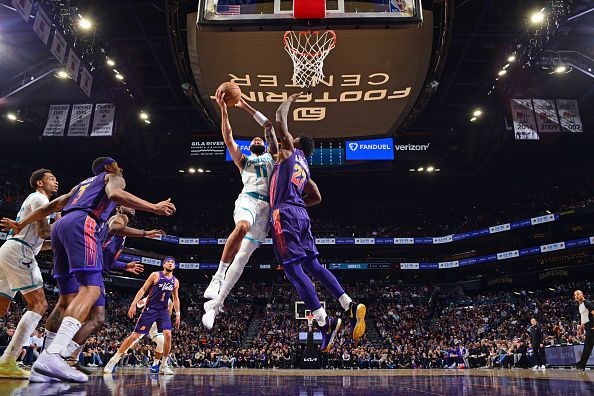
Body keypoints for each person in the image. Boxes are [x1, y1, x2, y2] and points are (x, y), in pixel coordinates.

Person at [1, 157, 176, 383]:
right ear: (108, 167)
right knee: (91, 290)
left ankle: (43, 362)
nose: (120, 168)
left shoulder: (80, 186)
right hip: (82, 223)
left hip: (60, 228)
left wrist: (22, 223)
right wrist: (154, 207)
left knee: (66, 299)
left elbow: (52, 207)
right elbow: (114, 195)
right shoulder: (113, 177)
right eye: (117, 164)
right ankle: (54, 355)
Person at [268, 92, 366, 352]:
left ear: (296, 142)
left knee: (291, 269)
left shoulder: (289, 151)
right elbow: (318, 197)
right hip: (301, 214)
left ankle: (325, 322)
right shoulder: (306, 167)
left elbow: (279, 117)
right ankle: (349, 304)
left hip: (285, 213)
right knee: (313, 264)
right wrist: (299, 203)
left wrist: (290, 98)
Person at [202, 91, 278, 329]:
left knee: (243, 259)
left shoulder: (273, 156)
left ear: (263, 145)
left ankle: (215, 306)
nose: (256, 140)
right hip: (248, 200)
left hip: (266, 210)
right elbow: (228, 137)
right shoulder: (244, 160)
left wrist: (244, 105)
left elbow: (268, 126)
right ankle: (218, 275)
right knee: (242, 226)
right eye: (253, 140)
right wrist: (224, 110)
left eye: (259, 140)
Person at [0, 169, 58, 378]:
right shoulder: (40, 198)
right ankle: (7, 361)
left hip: (10, 249)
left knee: (1, 308)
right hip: (19, 251)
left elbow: (39, 241)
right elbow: (44, 232)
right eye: (51, 179)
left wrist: (56, 241)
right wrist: (63, 224)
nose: (56, 182)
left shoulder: (35, 199)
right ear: (40, 183)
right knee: (39, 305)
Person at [104, 257, 181, 375]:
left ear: (174, 266)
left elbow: (176, 298)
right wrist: (133, 304)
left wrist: (178, 314)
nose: (170, 263)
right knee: (134, 336)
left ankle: (163, 366)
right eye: (168, 262)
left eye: (172, 262)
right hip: (150, 310)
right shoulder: (155, 275)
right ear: (163, 264)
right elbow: (143, 289)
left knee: (168, 335)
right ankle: (113, 360)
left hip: (163, 311)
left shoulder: (175, 281)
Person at [574, 290, 594, 370]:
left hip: (591, 326)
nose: (576, 296)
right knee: (588, 347)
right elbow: (583, 317)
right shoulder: (580, 306)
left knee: (587, 347)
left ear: (582, 294)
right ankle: (581, 365)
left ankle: (581, 365)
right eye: (575, 295)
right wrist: (581, 329)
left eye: (578, 294)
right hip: (587, 326)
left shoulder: (587, 303)